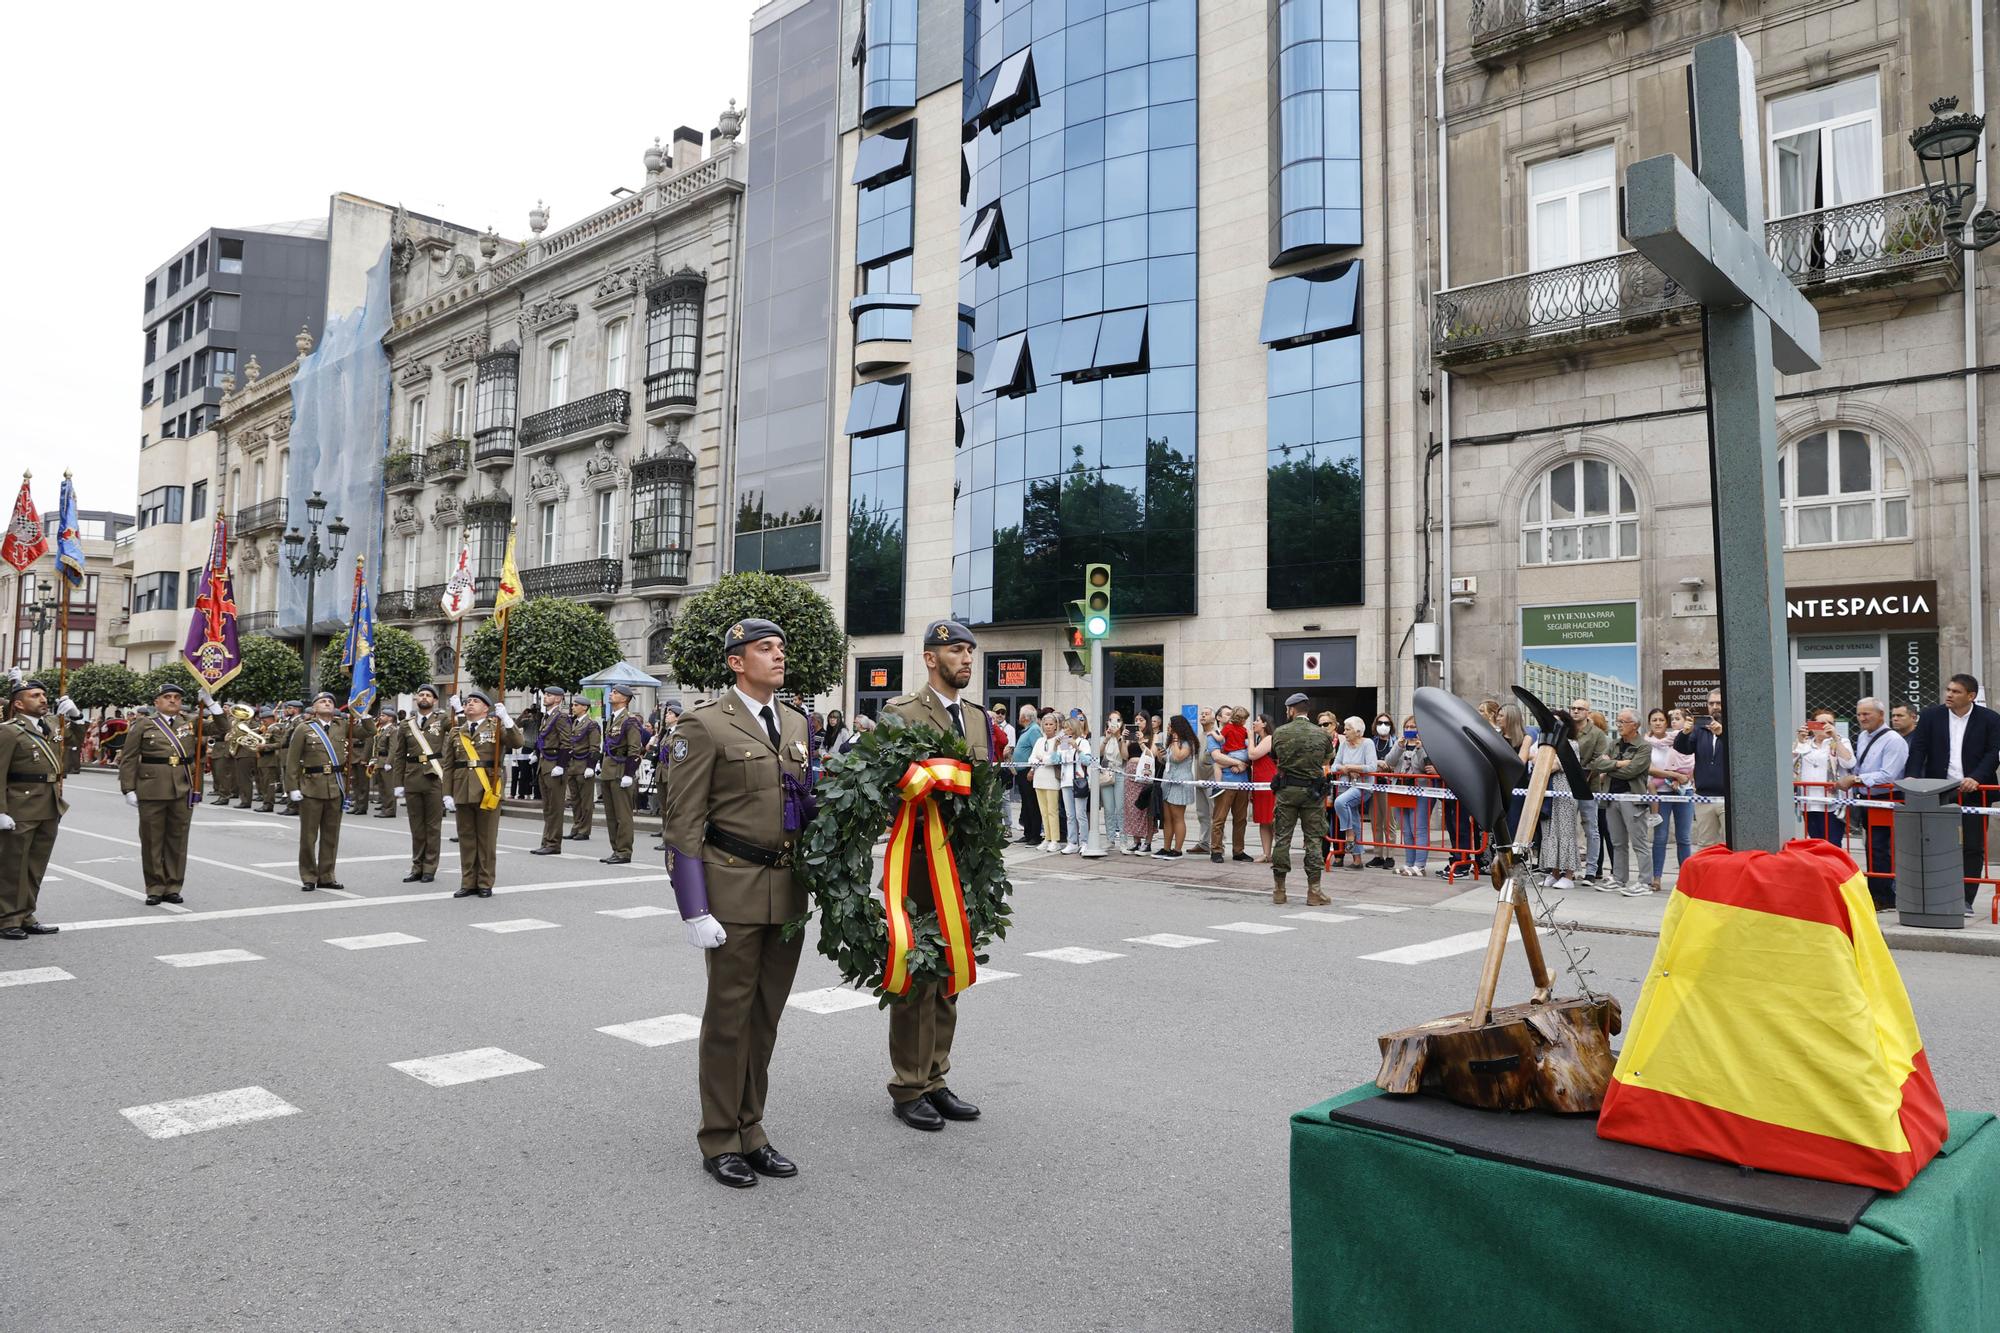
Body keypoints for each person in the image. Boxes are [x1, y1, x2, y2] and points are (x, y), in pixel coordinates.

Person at [662, 618, 811, 1189]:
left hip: (788, 891)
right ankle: (721, 1136)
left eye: (781, 647)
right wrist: (693, 907)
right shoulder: (704, 725)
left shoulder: (796, 721)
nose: (778, 656)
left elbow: (803, 800)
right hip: (732, 889)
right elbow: (683, 823)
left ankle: (754, 1128)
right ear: (735, 661)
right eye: (764, 649)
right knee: (729, 1020)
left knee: (765, 1019)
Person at [879, 619, 990, 1133]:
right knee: (917, 974)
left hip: (964, 864)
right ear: (930, 658)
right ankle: (908, 1084)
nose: (966, 659)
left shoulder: (976, 717)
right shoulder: (901, 714)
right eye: (956, 650)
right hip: (919, 863)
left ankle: (936, 1077)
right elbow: (883, 786)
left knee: (949, 973)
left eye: (970, 651)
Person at [1903, 672, 2000, 916]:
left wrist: (1976, 778)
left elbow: (1993, 752)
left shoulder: (1989, 719)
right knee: (1937, 845)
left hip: (1975, 792)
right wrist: (1912, 776)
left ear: (1971, 696)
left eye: (1955, 691)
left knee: (1972, 846)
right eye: (1948, 690)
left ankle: (1966, 899)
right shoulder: (1931, 716)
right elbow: (1918, 748)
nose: (1949, 694)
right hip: (1940, 791)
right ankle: (1938, 894)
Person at [120, 681, 211, 906]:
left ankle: (173, 886)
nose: (173, 700)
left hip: (183, 786)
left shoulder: (190, 721)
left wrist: (211, 703)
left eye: (177, 698)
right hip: (152, 788)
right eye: (168, 697)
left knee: (178, 840)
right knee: (152, 840)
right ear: (157, 702)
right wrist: (128, 788)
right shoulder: (143, 724)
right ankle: (154, 887)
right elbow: (129, 758)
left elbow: (222, 728)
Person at [0, 678, 75, 939]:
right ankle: (7, 917)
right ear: (19, 703)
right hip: (20, 805)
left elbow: (73, 742)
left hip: (49, 804)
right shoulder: (8, 731)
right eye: (35, 695)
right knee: (13, 865)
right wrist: (0, 811)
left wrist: (75, 717)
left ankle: (26, 914)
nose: (43, 699)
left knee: (35, 865)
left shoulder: (52, 725)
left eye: (44, 694)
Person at [445, 688, 523, 898]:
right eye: (468, 701)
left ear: (485, 708)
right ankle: (468, 881)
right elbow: (449, 765)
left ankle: (485, 882)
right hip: (462, 789)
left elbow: (517, 743)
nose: (470, 704)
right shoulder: (456, 731)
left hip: (488, 789)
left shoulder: (496, 727)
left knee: (486, 840)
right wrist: (447, 793)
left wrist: (507, 719)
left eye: (475, 702)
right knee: (467, 839)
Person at [1841, 696, 1908, 910]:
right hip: (1867, 798)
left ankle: (1886, 896)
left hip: (1886, 798)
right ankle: (1875, 893)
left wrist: (1857, 780)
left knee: (1881, 848)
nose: (1862, 718)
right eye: (1859, 714)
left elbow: (1889, 774)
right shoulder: (1862, 736)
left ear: (1881, 715)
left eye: (1867, 714)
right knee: (1871, 847)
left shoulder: (1894, 741)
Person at [283, 692, 350, 893]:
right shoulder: (304, 729)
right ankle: (309, 876)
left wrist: (363, 713)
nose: (327, 703)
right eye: (322, 701)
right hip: (311, 788)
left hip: (335, 788)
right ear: (314, 708)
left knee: (331, 836)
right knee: (309, 836)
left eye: (330, 701)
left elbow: (368, 730)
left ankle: (327, 876)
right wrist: (292, 788)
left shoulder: (342, 726)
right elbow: (292, 761)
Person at [1270, 693, 1333, 905]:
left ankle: (1279, 890)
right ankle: (1314, 891)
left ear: (1291, 709)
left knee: (1282, 839)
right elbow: (1326, 758)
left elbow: (1274, 755)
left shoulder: (1280, 732)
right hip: (1312, 795)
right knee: (1313, 840)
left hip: (1286, 792)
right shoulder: (1321, 734)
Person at [389, 684, 453, 883]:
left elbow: (459, 730)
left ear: (434, 701)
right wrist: (398, 783)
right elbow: (399, 756)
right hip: (413, 777)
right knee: (416, 826)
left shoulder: (442, 719)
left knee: (433, 826)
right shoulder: (406, 724)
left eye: (428, 695)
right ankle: (417, 866)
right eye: (421, 695)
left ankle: (429, 868)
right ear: (416, 699)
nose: (424, 697)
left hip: (434, 777)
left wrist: (457, 709)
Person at [1592, 709, 1654, 895]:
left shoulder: (1644, 747)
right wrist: (1619, 764)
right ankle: (1619, 878)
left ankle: (1645, 882)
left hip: (1632, 798)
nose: (1618, 724)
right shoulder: (1614, 744)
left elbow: (1632, 771)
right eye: (1617, 721)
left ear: (1634, 725)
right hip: (1612, 798)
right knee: (1618, 842)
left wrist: (1609, 766)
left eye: (1623, 721)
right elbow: (1597, 765)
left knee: (1639, 842)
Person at [1646, 707, 1695, 891]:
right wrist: (1673, 775)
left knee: (1684, 837)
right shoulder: (1647, 744)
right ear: (1650, 723)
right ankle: (1656, 878)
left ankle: (1685, 878)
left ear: (1666, 723)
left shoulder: (1679, 738)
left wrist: (1684, 778)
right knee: (1660, 837)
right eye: (1654, 720)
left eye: (1661, 720)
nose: (1658, 723)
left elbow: (1692, 759)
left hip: (1684, 791)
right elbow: (1649, 769)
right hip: (1661, 794)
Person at [599, 684, 647, 865]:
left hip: (620, 772)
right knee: (611, 815)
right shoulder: (612, 719)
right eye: (612, 692)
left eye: (616, 693)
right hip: (608, 771)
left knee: (623, 815)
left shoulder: (630, 720)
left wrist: (629, 774)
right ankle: (616, 849)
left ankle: (624, 851)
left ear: (625, 699)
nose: (611, 694)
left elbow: (634, 750)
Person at [1673, 689, 1728, 850]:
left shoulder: (1735, 726)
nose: (1715, 707)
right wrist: (1684, 732)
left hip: (1728, 798)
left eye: (1718, 703)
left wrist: (1723, 733)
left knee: (1731, 846)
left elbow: (1742, 752)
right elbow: (1683, 748)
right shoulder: (1700, 728)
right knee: (1705, 846)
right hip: (1704, 797)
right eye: (1711, 703)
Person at [1792, 706, 1853, 846]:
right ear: (1812, 726)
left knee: (1832, 843)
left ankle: (1834, 868)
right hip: (1809, 801)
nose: (1826, 726)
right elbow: (1790, 764)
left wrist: (1835, 738)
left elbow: (1849, 763)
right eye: (1821, 723)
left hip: (1832, 803)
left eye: (1830, 723)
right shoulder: (1805, 743)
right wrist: (1800, 742)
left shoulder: (1841, 741)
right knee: (1815, 842)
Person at [530, 686, 573, 855]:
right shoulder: (547, 717)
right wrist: (536, 753)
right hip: (544, 764)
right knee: (547, 807)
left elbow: (566, 743)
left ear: (558, 698)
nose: (545, 697)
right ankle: (546, 841)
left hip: (554, 764)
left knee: (555, 807)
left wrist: (561, 765)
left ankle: (553, 843)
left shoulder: (561, 717)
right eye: (545, 694)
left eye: (549, 695)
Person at [1387, 717, 1432, 877]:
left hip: (1420, 790)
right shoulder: (1400, 743)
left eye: (1413, 726)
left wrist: (1420, 748)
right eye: (1407, 726)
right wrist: (1399, 746)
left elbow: (1424, 766)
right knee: (1406, 829)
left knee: (1418, 828)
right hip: (1401, 789)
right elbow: (1389, 762)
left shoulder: (1426, 745)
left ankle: (1420, 865)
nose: (1410, 728)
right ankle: (1409, 863)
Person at [1328, 717, 1374, 869]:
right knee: (1354, 818)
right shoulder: (1344, 745)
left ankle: (1349, 835)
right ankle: (1357, 859)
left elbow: (1372, 767)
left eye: (1348, 729)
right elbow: (1335, 766)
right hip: (1345, 784)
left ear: (1358, 731)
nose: (1344, 732)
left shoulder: (1367, 743)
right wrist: (1347, 769)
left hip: (1363, 786)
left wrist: (1352, 768)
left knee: (1340, 802)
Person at [1154, 714, 1197, 860]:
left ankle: (1177, 850)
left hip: (1181, 782)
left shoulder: (1187, 743)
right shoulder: (1171, 742)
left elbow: (1179, 757)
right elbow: (1166, 760)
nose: (1168, 728)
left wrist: (1175, 740)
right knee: (1167, 818)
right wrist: (1161, 754)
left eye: (1170, 725)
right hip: (1168, 782)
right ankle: (1166, 848)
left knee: (1178, 817)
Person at [650, 698, 686, 851]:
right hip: (661, 773)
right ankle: (666, 838)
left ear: (678, 717)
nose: (667, 715)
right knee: (664, 809)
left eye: (671, 714)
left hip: (672, 775)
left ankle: (673, 839)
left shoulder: (681, 733)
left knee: (673, 809)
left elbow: (680, 756)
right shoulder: (666, 733)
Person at [565, 695, 601, 843]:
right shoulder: (574, 723)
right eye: (573, 705)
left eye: (576, 705)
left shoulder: (591, 725)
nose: (573, 707)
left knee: (586, 801)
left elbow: (594, 747)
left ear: (584, 707)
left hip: (583, 766)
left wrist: (591, 766)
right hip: (572, 766)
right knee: (575, 800)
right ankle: (576, 827)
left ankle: (584, 830)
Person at [1365, 711, 1397, 868]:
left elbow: (1397, 763)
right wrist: (1377, 762)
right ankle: (1378, 855)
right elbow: (1367, 761)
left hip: (1389, 786)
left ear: (1391, 726)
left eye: (1387, 723)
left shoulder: (1396, 742)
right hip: (1373, 786)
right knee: (1376, 822)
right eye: (1380, 723)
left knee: (1389, 822)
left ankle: (1390, 856)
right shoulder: (1371, 743)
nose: (1383, 726)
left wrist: (1387, 765)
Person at [1058, 716, 1094, 855]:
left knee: (1081, 814)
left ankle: (1084, 841)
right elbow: (1058, 759)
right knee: (1070, 814)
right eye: (1064, 728)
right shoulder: (1064, 743)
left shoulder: (1083, 742)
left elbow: (1087, 761)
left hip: (1079, 781)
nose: (1066, 730)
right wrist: (1056, 747)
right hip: (1065, 781)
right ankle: (1072, 842)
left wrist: (1077, 748)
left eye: (1068, 727)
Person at [1028, 715, 1063, 853]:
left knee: (1052, 811)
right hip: (1039, 778)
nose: (1048, 726)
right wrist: (1036, 760)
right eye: (1046, 724)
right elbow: (1031, 757)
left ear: (1056, 726)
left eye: (1050, 724)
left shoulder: (1059, 741)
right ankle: (1047, 838)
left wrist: (1042, 758)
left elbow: (1055, 759)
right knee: (1043, 811)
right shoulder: (1039, 741)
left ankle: (1055, 839)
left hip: (1052, 780)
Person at [1012, 704, 1044, 846]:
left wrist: (1032, 770)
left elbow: (1038, 752)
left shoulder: (1034, 730)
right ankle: (1028, 832)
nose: (1018, 717)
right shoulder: (1027, 730)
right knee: (1026, 804)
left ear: (1025, 717)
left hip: (1028, 772)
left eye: (1020, 714)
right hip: (1021, 772)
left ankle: (1035, 835)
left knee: (1032, 804)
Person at [1248, 713, 1278, 862]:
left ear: (1265, 724)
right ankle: (1266, 854)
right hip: (1259, 783)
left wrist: (1251, 739)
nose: (1254, 723)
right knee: (1263, 820)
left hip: (1269, 783)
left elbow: (1253, 754)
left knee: (1273, 819)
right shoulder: (1260, 739)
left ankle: (1278, 852)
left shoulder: (1269, 739)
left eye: (1257, 721)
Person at [1122, 737, 1155, 854]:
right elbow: (1125, 756)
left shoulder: (1151, 736)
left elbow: (1152, 755)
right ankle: (1136, 841)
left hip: (1144, 774)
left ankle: (1148, 842)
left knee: (1146, 809)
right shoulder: (1131, 738)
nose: (1138, 722)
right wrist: (1124, 741)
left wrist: (1142, 743)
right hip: (1130, 775)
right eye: (1137, 720)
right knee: (1132, 808)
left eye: (1141, 720)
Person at [344, 708, 377, 816]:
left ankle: (362, 807)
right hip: (352, 757)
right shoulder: (349, 727)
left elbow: (368, 742)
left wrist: (364, 758)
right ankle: (357, 805)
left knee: (363, 784)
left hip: (360, 758)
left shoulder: (364, 727)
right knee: (355, 784)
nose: (351, 718)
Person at [368, 706, 399, 816]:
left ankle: (390, 810)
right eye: (381, 715)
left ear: (390, 718)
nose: (380, 717)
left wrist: (389, 762)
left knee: (388, 787)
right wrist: (374, 760)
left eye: (383, 715)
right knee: (382, 787)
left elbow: (393, 748)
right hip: (380, 761)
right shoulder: (382, 730)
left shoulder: (393, 730)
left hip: (386, 761)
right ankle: (385, 808)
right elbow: (377, 747)